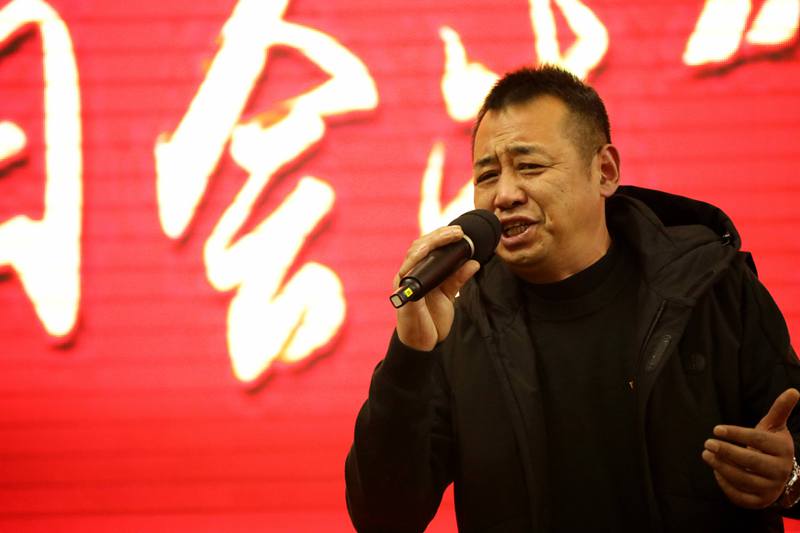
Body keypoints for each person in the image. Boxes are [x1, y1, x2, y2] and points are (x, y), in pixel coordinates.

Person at [345, 65, 800, 532]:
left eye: (530, 167)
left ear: (605, 171)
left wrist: (790, 478)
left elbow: (792, 442)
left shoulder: (710, 285)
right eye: (487, 175)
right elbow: (384, 518)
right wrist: (411, 353)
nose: (504, 195)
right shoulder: (459, 321)